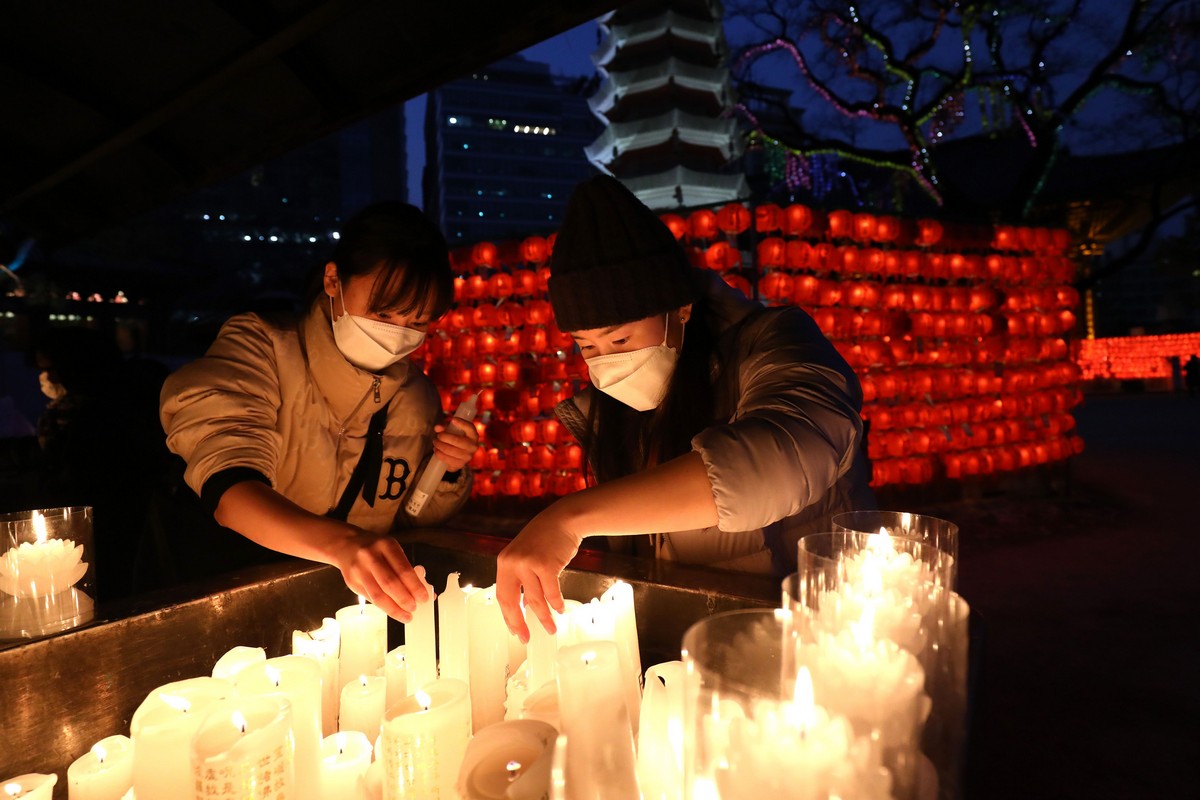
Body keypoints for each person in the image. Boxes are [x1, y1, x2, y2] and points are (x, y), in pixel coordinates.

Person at [495, 175, 875, 641]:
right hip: (693, 637)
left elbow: (788, 450)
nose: (607, 363)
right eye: (586, 346)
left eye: (620, 338)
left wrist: (571, 518)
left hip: (813, 630)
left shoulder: (774, 341)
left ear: (680, 309)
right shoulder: (613, 408)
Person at [160, 202, 478, 621]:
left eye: (417, 322)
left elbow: (408, 515)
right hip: (235, 603)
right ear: (333, 280)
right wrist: (343, 545)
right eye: (384, 313)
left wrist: (447, 469)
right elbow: (230, 488)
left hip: (351, 613)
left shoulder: (416, 395)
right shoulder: (262, 349)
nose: (398, 334)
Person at [29, 326, 171, 602]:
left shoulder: (77, 415)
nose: (47, 378)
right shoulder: (135, 400)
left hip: (96, 528)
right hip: (139, 525)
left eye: (51, 368)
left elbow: (64, 475)